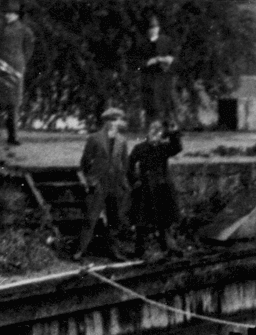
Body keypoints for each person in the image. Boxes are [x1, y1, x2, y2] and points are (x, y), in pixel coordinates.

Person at [73, 107, 131, 262]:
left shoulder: (122, 140)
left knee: (114, 219)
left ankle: (114, 251)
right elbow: (85, 162)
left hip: (114, 184)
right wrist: (91, 180)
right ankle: (80, 250)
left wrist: (122, 182)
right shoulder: (95, 138)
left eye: (118, 120)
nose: (116, 123)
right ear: (107, 121)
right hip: (98, 183)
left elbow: (125, 164)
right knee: (90, 218)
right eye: (114, 120)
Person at [127, 119, 182, 258]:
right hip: (144, 189)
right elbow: (129, 166)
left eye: (158, 133)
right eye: (153, 132)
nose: (155, 135)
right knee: (141, 221)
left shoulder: (164, 148)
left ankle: (168, 247)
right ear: (148, 133)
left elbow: (177, 147)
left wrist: (174, 133)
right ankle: (140, 249)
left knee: (164, 221)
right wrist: (135, 181)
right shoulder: (139, 148)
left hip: (162, 189)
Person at [0, 0, 33, 145]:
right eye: (6, 13)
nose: (8, 16)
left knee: (12, 103)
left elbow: (28, 50)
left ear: (17, 15)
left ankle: (13, 135)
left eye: (11, 13)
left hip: (14, 68)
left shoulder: (24, 30)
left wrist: (19, 63)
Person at [136, 15, 175, 128]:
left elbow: (173, 57)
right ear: (148, 30)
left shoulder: (166, 41)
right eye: (151, 28)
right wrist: (151, 62)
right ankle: (153, 128)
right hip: (150, 79)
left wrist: (165, 59)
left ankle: (168, 128)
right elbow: (138, 64)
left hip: (164, 77)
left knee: (166, 104)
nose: (154, 30)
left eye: (155, 28)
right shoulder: (143, 44)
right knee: (152, 106)